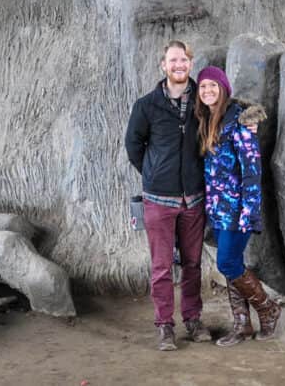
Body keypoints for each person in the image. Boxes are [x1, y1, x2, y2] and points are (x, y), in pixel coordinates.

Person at [125, 40, 213, 350]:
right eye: (173, 60)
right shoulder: (146, 106)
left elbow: (222, 119)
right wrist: (153, 174)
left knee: (192, 263)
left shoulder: (203, 102)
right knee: (161, 266)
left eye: (184, 60)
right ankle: (164, 325)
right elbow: (134, 146)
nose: (179, 65)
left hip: (194, 199)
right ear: (164, 65)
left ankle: (193, 318)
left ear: (191, 64)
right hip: (159, 201)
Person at [195, 65, 281, 346]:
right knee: (233, 265)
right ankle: (242, 326)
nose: (208, 91)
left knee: (228, 262)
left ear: (223, 89)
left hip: (237, 210)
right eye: (203, 86)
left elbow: (251, 170)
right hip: (217, 210)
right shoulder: (208, 120)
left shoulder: (239, 121)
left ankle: (268, 309)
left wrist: (249, 213)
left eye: (213, 86)